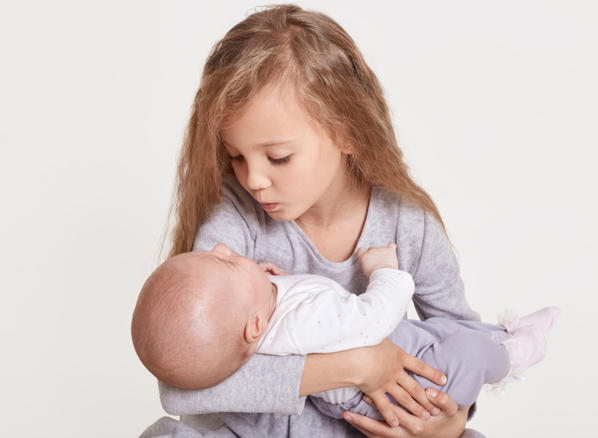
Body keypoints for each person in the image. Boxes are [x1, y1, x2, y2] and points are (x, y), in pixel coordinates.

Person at [139, 4, 507, 438]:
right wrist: (356, 366)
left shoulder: (409, 225)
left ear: (348, 131)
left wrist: (452, 420)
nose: (254, 179)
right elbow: (181, 392)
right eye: (236, 156)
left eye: (279, 157)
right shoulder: (235, 221)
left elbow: (466, 338)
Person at [132, 242, 558, 423]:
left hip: (404, 347)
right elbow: (374, 318)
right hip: (402, 389)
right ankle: (513, 357)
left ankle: (503, 329)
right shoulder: (301, 326)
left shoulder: (251, 318)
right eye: (225, 262)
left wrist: (267, 284)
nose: (223, 248)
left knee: (447, 327)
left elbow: (268, 310)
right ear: (257, 326)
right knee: (466, 349)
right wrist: (384, 270)